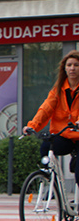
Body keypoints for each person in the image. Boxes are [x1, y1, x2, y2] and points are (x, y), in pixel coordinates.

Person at [24, 50, 79, 182]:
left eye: (76, 65)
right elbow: (45, 109)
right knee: (46, 146)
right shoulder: (58, 90)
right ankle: (49, 178)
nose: (72, 68)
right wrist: (32, 126)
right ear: (64, 68)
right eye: (69, 65)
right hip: (64, 135)